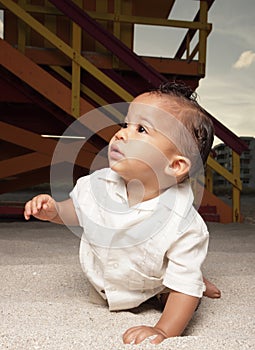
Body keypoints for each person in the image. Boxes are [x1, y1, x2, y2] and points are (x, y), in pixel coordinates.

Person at [24, 82, 221, 345]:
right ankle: (187, 275)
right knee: (175, 277)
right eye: (124, 125)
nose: (121, 135)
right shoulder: (98, 184)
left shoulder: (184, 224)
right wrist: (56, 211)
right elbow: (80, 212)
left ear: (174, 165)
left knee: (182, 293)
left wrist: (163, 331)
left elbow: (182, 293)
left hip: (151, 280)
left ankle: (191, 278)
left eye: (141, 129)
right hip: (114, 275)